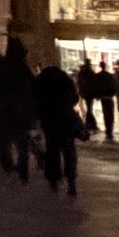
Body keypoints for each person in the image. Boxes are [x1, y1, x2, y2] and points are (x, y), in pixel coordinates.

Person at [33, 55, 81, 198]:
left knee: (52, 149)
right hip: (65, 120)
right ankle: (71, 181)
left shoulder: (41, 81)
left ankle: (53, 180)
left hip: (49, 120)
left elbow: (35, 100)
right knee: (68, 150)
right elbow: (75, 98)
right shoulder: (65, 80)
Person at [0, 38, 36, 182]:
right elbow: (32, 88)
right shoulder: (24, 68)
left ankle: (7, 164)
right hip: (21, 111)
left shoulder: (2, 66)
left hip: (5, 109)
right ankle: (23, 172)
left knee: (4, 140)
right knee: (22, 142)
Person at [94, 56, 117, 140]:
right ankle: (110, 130)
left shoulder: (98, 76)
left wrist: (97, 95)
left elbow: (95, 87)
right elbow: (114, 86)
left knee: (105, 113)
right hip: (109, 97)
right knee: (110, 114)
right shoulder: (109, 76)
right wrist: (112, 94)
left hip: (103, 97)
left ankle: (108, 130)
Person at [75, 55, 97, 131]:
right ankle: (90, 123)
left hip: (84, 92)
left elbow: (79, 82)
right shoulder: (89, 71)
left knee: (89, 108)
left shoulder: (82, 71)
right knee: (89, 108)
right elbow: (94, 81)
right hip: (89, 93)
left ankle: (90, 123)